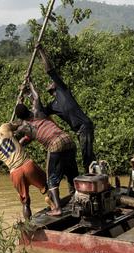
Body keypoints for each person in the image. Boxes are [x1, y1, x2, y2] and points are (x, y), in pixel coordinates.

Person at [14, 78, 79, 216]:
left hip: (55, 144)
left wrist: (19, 100)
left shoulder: (24, 127)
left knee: (51, 178)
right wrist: (30, 82)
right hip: (68, 139)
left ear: (21, 118)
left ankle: (57, 208)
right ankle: (76, 198)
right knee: (71, 173)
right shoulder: (38, 111)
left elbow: (17, 136)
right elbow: (36, 96)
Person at [36, 43, 96, 171]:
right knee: (88, 156)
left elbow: (49, 70)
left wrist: (41, 51)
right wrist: (31, 92)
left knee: (87, 157)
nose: (49, 83)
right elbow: (40, 112)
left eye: (51, 83)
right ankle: (95, 176)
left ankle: (93, 181)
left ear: (54, 86)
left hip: (84, 126)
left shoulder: (63, 90)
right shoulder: (53, 106)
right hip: (80, 131)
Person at [0, 121, 50, 220]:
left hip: (15, 173)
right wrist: (14, 133)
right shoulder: (4, 127)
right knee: (48, 187)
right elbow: (20, 124)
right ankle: (54, 203)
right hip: (27, 164)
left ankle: (28, 223)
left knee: (25, 202)